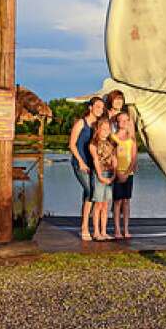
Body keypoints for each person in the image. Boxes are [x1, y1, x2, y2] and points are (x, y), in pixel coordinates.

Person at [68, 97, 105, 241]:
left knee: (88, 194)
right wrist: (81, 162)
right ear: (90, 107)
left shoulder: (98, 125)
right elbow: (71, 145)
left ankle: (89, 226)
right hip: (80, 164)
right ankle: (84, 227)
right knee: (91, 191)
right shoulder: (80, 123)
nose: (100, 110)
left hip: (93, 166)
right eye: (97, 106)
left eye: (102, 108)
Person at [88, 116, 117, 241]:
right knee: (98, 203)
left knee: (105, 204)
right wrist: (100, 176)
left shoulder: (111, 143)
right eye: (103, 129)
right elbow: (95, 160)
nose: (106, 131)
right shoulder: (93, 144)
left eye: (108, 129)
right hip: (99, 174)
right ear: (98, 129)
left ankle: (104, 231)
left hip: (110, 174)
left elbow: (114, 159)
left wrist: (115, 173)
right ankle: (96, 232)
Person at [111, 111, 137, 239]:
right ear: (116, 122)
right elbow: (112, 157)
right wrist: (118, 173)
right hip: (117, 173)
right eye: (120, 120)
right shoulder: (113, 138)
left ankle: (126, 229)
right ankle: (117, 230)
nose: (123, 123)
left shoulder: (131, 139)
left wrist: (127, 173)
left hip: (128, 174)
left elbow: (133, 159)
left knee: (126, 201)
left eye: (126, 120)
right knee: (117, 202)